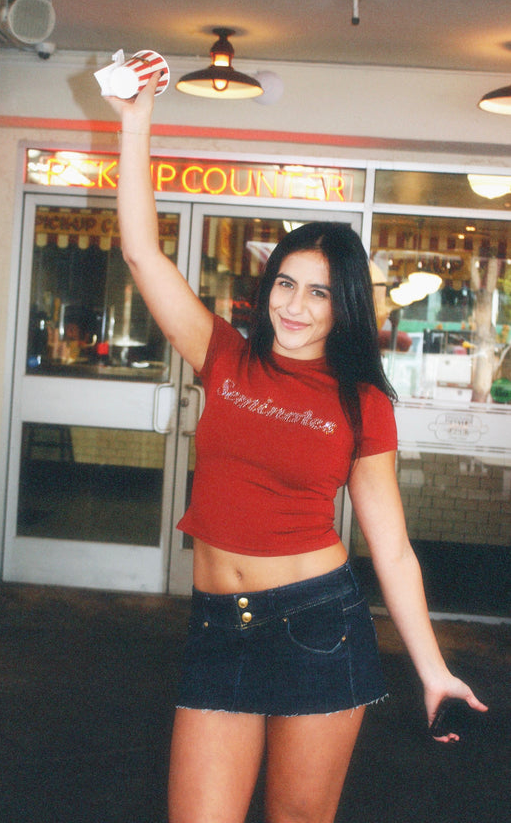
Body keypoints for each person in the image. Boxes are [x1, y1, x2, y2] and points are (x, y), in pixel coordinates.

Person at [108, 72, 487, 823]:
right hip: (218, 624)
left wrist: (433, 670)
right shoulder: (224, 355)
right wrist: (133, 121)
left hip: (318, 625)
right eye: (286, 284)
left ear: (345, 306)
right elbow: (142, 254)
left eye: (319, 292)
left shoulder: (361, 401)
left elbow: (392, 550)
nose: (295, 306)